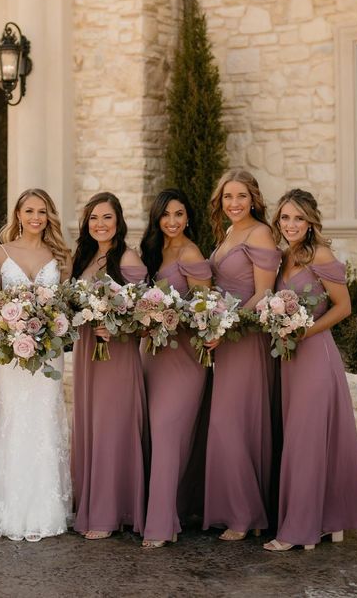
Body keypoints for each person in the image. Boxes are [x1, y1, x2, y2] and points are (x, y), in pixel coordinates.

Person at [264, 189, 357, 551]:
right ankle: (328, 521)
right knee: (299, 438)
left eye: (298, 218)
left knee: (305, 441)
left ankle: (299, 531)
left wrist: (302, 331)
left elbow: (343, 307)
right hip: (289, 360)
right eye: (285, 218)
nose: (291, 225)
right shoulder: (284, 257)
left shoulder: (320, 255)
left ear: (310, 222)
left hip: (314, 357)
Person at [0, 188, 73, 541]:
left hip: (49, 351)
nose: (36, 217)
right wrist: (10, 327)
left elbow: (64, 305)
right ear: (17, 214)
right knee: (14, 415)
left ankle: (46, 511)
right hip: (10, 353)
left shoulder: (61, 255)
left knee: (45, 416)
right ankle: (8, 507)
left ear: (49, 216)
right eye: (29, 210)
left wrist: (49, 326)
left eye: (42, 211)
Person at [203, 168, 280, 541]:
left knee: (233, 424)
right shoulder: (229, 233)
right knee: (225, 423)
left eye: (241, 197)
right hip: (227, 338)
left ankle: (246, 515)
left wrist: (226, 326)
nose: (234, 203)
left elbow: (264, 294)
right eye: (228, 197)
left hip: (247, 340)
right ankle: (239, 510)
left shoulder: (261, 233)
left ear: (254, 200)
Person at [70, 192, 148, 540]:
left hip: (117, 352)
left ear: (119, 221)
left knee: (112, 426)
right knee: (91, 424)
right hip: (89, 349)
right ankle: (90, 504)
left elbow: (145, 315)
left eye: (107, 218)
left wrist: (117, 325)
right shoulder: (84, 257)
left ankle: (110, 512)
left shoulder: (128, 259)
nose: (100, 225)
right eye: (94, 219)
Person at [139, 189, 212, 548]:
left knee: (169, 432)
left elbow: (206, 308)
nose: (172, 221)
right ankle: (168, 510)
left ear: (189, 217)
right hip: (152, 355)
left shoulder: (191, 253)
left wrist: (173, 315)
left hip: (184, 358)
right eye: (166, 215)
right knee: (155, 435)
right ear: (157, 218)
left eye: (179, 214)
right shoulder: (153, 252)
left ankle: (160, 525)